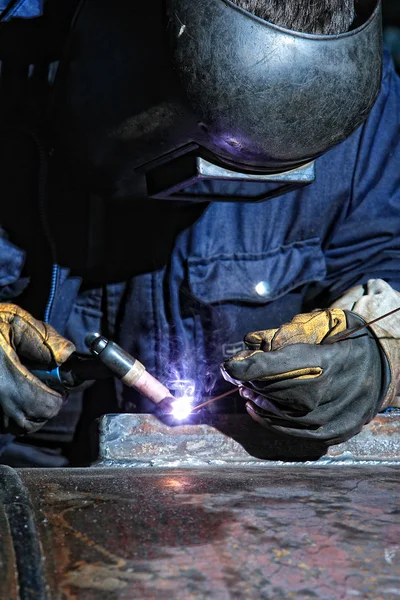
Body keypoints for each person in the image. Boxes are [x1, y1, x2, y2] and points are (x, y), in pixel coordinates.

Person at [0, 0, 399, 465]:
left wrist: (381, 346)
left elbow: (386, 255)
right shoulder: (16, 59)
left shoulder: (351, 87)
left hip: (237, 473)